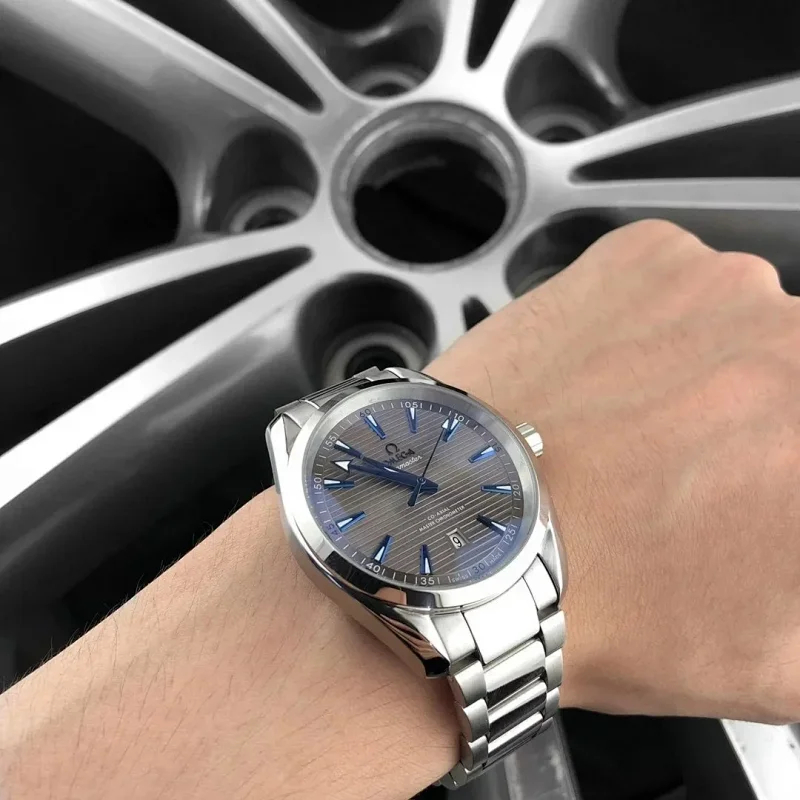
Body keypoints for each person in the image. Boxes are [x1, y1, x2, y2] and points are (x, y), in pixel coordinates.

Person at [2, 219, 799, 798]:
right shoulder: (334, 523)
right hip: (426, 577)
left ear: (517, 442)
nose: (420, 485)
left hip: (486, 544)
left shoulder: (495, 471)